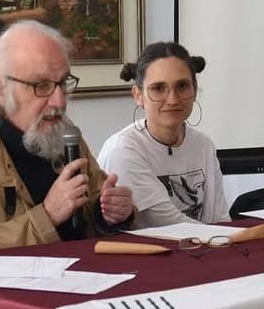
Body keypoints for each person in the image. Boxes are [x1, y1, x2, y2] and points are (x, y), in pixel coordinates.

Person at [0, 20, 134, 255]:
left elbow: (89, 222)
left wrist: (109, 214)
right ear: (1, 89)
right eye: (41, 86)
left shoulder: (65, 137)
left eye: (63, 83)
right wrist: (47, 216)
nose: (60, 101)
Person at [98, 42, 229, 228]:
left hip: (206, 244)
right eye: (158, 88)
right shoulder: (122, 151)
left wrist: (225, 237)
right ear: (138, 95)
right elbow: (169, 225)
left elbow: (220, 219)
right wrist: (221, 236)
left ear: (194, 90)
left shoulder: (204, 145)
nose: (173, 100)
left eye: (182, 86)